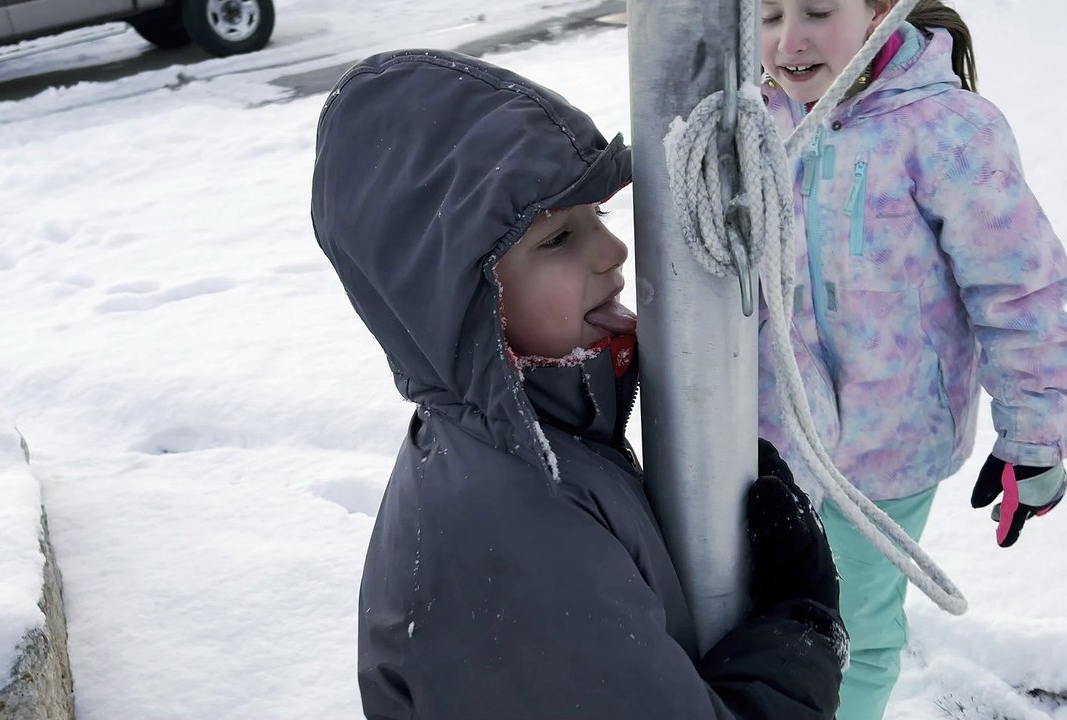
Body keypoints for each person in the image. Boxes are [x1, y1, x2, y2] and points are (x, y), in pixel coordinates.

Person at [312, 49, 847, 720]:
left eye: (598, 215)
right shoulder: (512, 537)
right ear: (458, 299)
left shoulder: (536, 443)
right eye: (559, 236)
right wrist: (798, 630)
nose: (613, 250)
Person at [755, 1, 1067, 718]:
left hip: (890, 450)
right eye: (768, 12)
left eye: (816, 9)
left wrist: (1033, 433)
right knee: (761, 621)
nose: (789, 39)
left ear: (878, 8)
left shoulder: (948, 130)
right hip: (767, 441)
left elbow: (1017, 288)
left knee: (858, 631)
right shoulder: (748, 120)